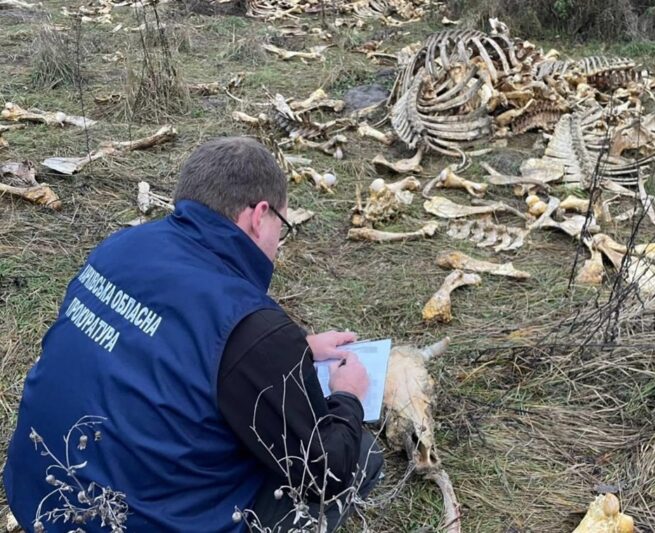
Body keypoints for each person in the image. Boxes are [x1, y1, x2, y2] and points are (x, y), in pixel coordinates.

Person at [3, 137, 384, 532]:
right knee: (359, 456)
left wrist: (295, 350)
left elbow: (159, 342)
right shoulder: (252, 326)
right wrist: (346, 396)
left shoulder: (121, 246)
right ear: (259, 215)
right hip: (130, 522)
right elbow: (324, 474)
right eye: (281, 229)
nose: (277, 244)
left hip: (39, 498)